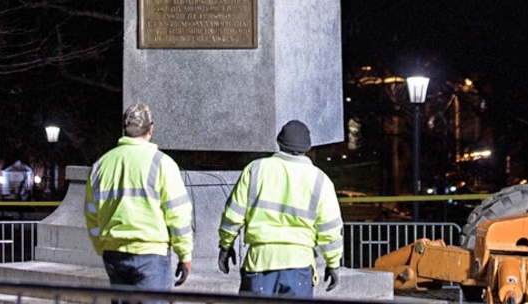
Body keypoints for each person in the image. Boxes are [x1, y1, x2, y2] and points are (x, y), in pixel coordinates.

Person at [217, 120, 343, 297]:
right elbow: (330, 230)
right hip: (299, 264)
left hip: (259, 261)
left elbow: (233, 215)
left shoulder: (255, 169)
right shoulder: (320, 180)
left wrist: (225, 245)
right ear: (307, 147)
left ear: (279, 142)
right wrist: (333, 264)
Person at [85, 104, 194, 295]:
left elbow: (91, 214)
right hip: (151, 254)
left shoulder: (100, 165)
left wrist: (102, 246)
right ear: (150, 129)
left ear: (124, 129)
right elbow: (178, 214)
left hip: (113, 254)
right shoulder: (162, 164)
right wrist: (184, 254)